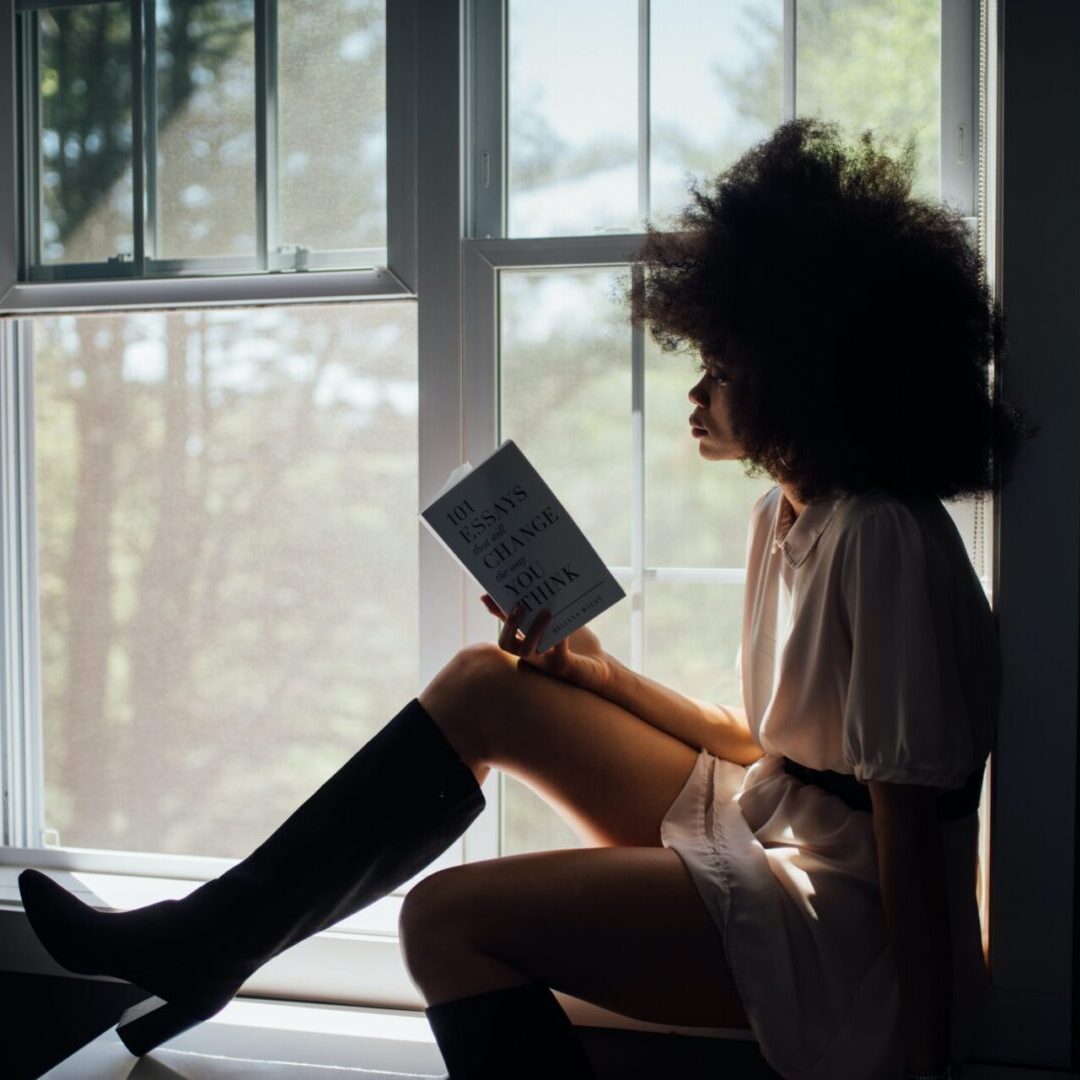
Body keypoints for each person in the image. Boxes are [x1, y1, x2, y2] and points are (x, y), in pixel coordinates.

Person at [18, 117, 1034, 1080]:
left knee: (441, 922)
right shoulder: (786, 518)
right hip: (777, 824)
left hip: (849, 927)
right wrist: (592, 672)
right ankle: (208, 942)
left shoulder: (884, 536)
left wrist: (927, 1056)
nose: (695, 396)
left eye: (720, 371)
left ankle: (203, 946)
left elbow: (902, 819)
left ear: (806, 378)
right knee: (485, 685)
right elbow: (765, 744)